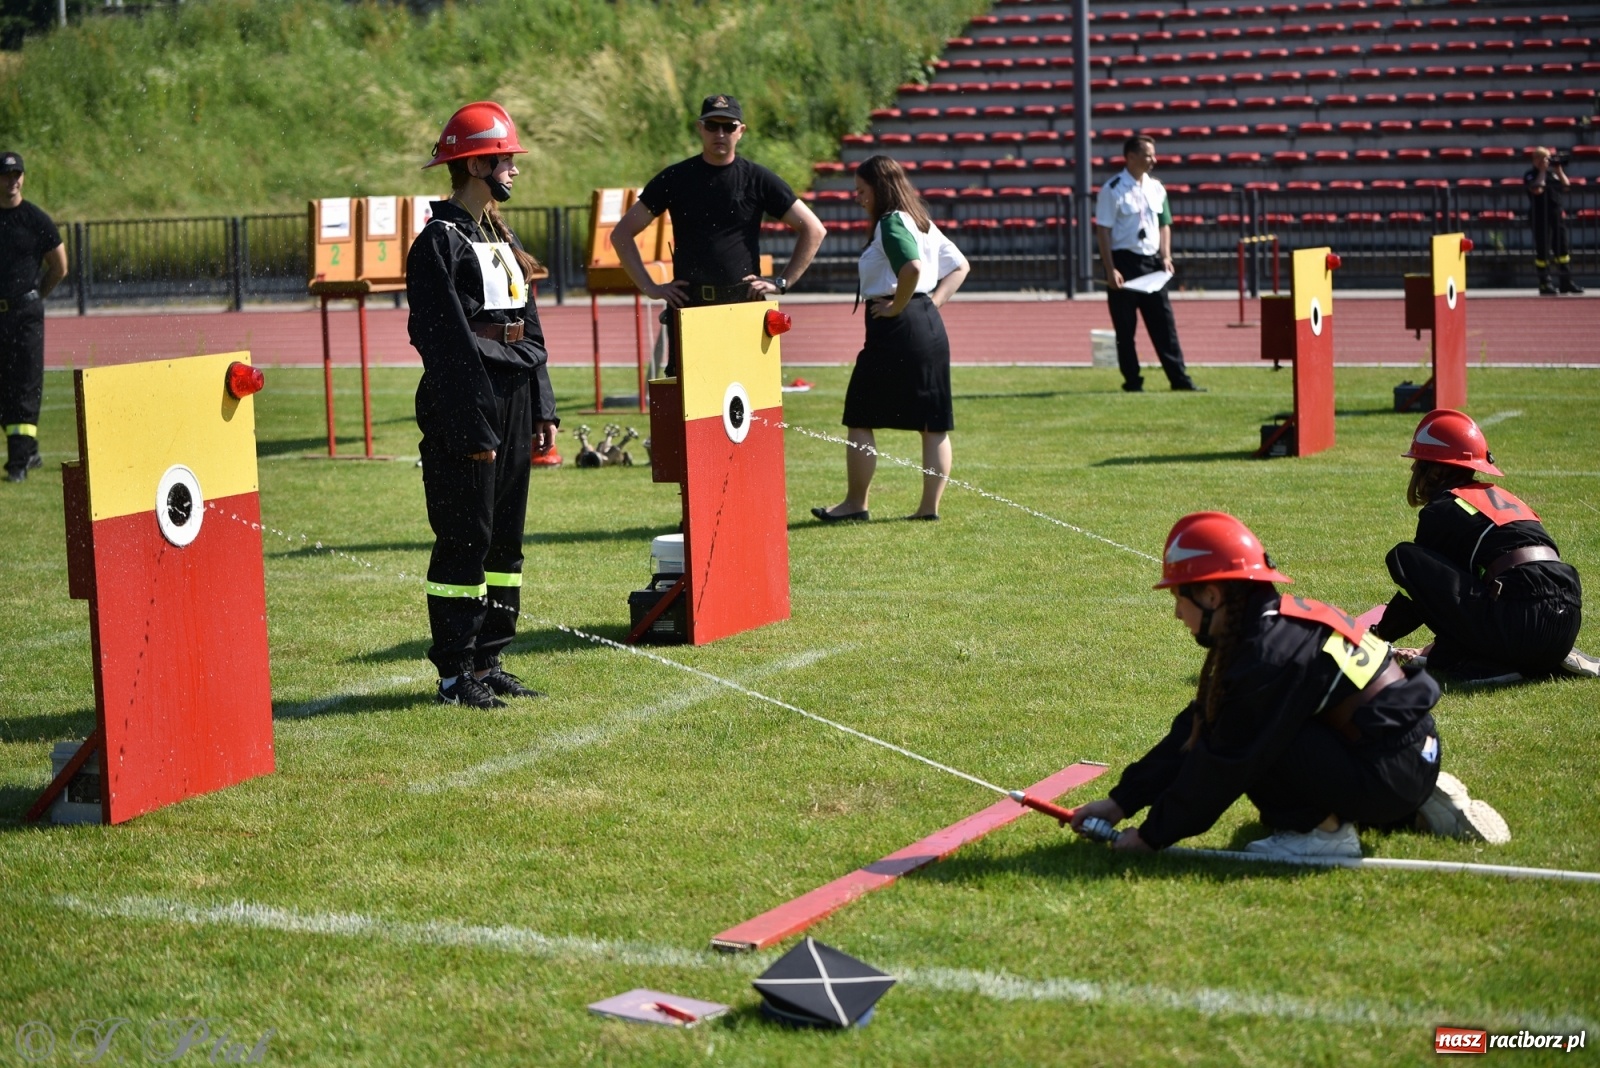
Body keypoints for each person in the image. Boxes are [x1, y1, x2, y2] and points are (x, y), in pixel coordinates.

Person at [1068, 511, 1511, 858]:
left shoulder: (1265, 653)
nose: (1176, 613)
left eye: (1177, 597)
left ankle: (1325, 836)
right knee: (1246, 723)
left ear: (1212, 595)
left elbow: (1222, 762)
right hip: (1413, 751)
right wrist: (1120, 802)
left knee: (1256, 738)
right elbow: (1196, 725)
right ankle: (1418, 800)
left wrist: (1151, 836)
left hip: (1389, 770)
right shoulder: (1274, 625)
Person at [407, 101, 559, 709]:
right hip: (466, 403)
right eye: (505, 158)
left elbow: (531, 326)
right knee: (465, 538)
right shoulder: (436, 243)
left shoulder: (500, 233)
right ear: (475, 163)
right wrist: (474, 422)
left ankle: (490, 657)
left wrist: (542, 406)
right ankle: (453, 673)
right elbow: (443, 345)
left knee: (505, 540)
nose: (513, 169)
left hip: (515, 399)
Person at [1371, 408, 1597, 685]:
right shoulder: (1501, 498)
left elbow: (1421, 597)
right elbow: (1461, 602)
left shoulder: (1443, 509)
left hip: (1520, 620)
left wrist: (1378, 635)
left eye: (1419, 462)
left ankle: (1487, 665)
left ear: (1435, 470)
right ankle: (1540, 656)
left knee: (1405, 558)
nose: (1412, 468)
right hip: (1565, 620)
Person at [609, 94, 826, 372]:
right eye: (712, 126)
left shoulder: (758, 179)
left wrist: (782, 282)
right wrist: (651, 288)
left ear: (741, 131)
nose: (720, 133)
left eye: (728, 126)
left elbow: (814, 229)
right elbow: (621, 234)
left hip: (743, 306)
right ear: (700, 128)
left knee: (746, 401)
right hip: (690, 308)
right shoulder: (675, 178)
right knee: (689, 405)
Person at [812, 156, 969, 524]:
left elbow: (911, 268)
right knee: (933, 424)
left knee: (860, 414)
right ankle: (928, 509)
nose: (858, 198)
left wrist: (899, 306)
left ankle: (855, 503)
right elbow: (961, 266)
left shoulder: (890, 221)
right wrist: (929, 305)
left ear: (879, 189)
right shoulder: (922, 222)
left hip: (895, 327)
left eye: (862, 191)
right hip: (927, 324)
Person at [1094, 135, 1202, 393]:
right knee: (1125, 330)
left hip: (1153, 264)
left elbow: (1164, 224)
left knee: (1165, 326)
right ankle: (1132, 382)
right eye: (1148, 155)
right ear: (1130, 157)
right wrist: (1111, 270)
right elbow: (1103, 232)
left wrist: (1165, 256)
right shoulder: (1112, 189)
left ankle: (1180, 380)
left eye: (1153, 155)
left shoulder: (1157, 187)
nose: (1154, 160)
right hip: (1125, 263)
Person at [0, 150, 68, 483]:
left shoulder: (35, 219)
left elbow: (60, 266)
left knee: (25, 385)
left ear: (23, 178)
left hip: (25, 315)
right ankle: (29, 450)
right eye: (5, 175)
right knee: (3, 390)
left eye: (17, 175)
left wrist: (37, 295)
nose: (11, 181)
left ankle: (18, 466)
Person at [1525, 147, 1582, 296]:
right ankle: (1545, 283)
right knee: (1543, 251)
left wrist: (1559, 171)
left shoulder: (1553, 174)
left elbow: (1566, 187)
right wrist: (1543, 171)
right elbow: (1537, 189)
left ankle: (1566, 282)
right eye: (1544, 158)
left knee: (1562, 250)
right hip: (1539, 216)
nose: (1548, 161)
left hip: (1555, 215)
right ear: (1536, 160)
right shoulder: (1531, 175)